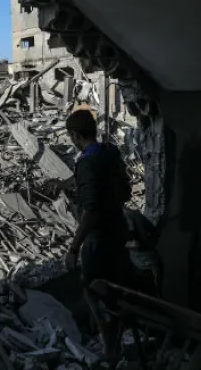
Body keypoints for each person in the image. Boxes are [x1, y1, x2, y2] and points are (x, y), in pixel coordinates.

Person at [63, 109, 134, 363]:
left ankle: (110, 350)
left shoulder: (86, 162)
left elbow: (90, 211)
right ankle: (115, 340)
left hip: (99, 237)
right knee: (113, 288)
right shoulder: (111, 152)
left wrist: (73, 248)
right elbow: (126, 192)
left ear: (74, 135)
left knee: (94, 290)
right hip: (119, 230)